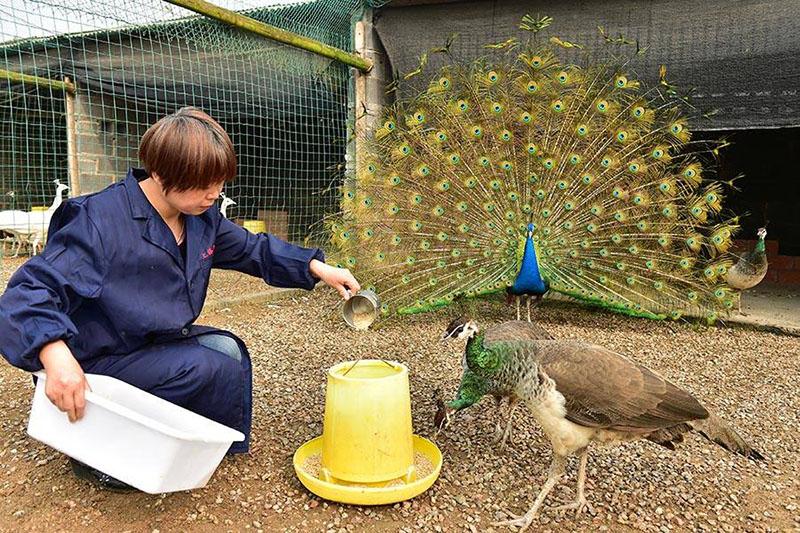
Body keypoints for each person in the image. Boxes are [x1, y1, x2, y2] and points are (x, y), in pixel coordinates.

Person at [0, 107, 360, 491]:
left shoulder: (200, 217)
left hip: (146, 345)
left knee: (226, 352)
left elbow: (254, 249)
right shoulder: (98, 221)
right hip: (92, 359)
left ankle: (199, 445)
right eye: (203, 182)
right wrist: (55, 356)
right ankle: (106, 454)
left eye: (219, 181)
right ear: (160, 173)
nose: (214, 193)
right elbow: (27, 292)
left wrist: (317, 268)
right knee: (201, 366)